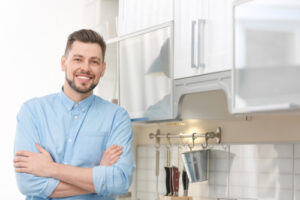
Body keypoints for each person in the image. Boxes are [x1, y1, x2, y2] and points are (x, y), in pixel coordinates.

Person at [13, 29, 135, 200]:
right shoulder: (32, 112)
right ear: (64, 63)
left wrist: (51, 169)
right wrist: (98, 178)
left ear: (103, 69)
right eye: (78, 59)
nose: (85, 68)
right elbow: (27, 183)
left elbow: (120, 181)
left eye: (94, 62)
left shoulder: (117, 116)